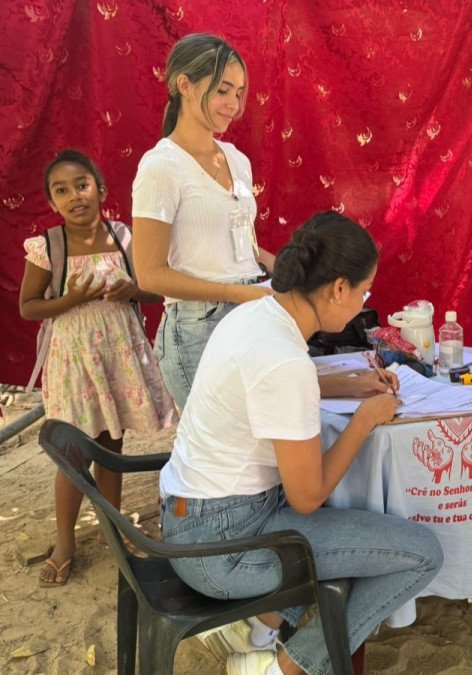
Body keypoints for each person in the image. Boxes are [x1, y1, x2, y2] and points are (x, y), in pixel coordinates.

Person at [159, 212, 443, 675]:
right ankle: (285, 668)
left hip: (192, 517)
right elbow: (308, 498)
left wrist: (343, 384)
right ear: (336, 288)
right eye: (364, 291)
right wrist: (365, 420)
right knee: (419, 553)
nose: (363, 302)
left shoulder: (257, 314)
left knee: (361, 538)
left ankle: (255, 628)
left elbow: (263, 383)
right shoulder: (284, 359)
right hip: (222, 548)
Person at [20, 149, 177, 587]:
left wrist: (133, 289)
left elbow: (151, 289)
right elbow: (29, 307)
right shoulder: (48, 247)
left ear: (102, 191)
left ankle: (112, 528)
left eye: (83, 185)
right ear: (52, 202)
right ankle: (65, 540)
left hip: (116, 356)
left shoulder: (123, 236)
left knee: (111, 440)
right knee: (72, 450)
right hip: (74, 361)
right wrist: (70, 300)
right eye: (62, 190)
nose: (75, 196)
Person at [132, 33, 274, 409]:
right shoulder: (162, 166)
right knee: (220, 457)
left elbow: (245, 247)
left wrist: (293, 269)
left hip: (248, 315)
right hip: (198, 330)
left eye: (239, 92)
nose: (234, 104)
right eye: (223, 90)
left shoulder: (236, 159)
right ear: (185, 85)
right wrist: (233, 293)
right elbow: (149, 275)